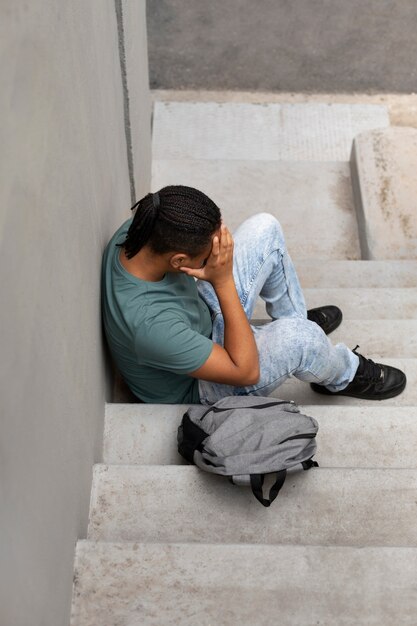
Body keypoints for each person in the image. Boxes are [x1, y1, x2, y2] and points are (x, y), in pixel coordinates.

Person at [101, 185, 406, 405]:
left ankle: (303, 340)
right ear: (179, 261)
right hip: (199, 385)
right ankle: (343, 375)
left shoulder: (145, 228)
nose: (217, 257)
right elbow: (245, 372)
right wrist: (221, 282)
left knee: (265, 227)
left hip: (197, 321)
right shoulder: (150, 326)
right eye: (208, 258)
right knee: (300, 340)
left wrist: (213, 256)